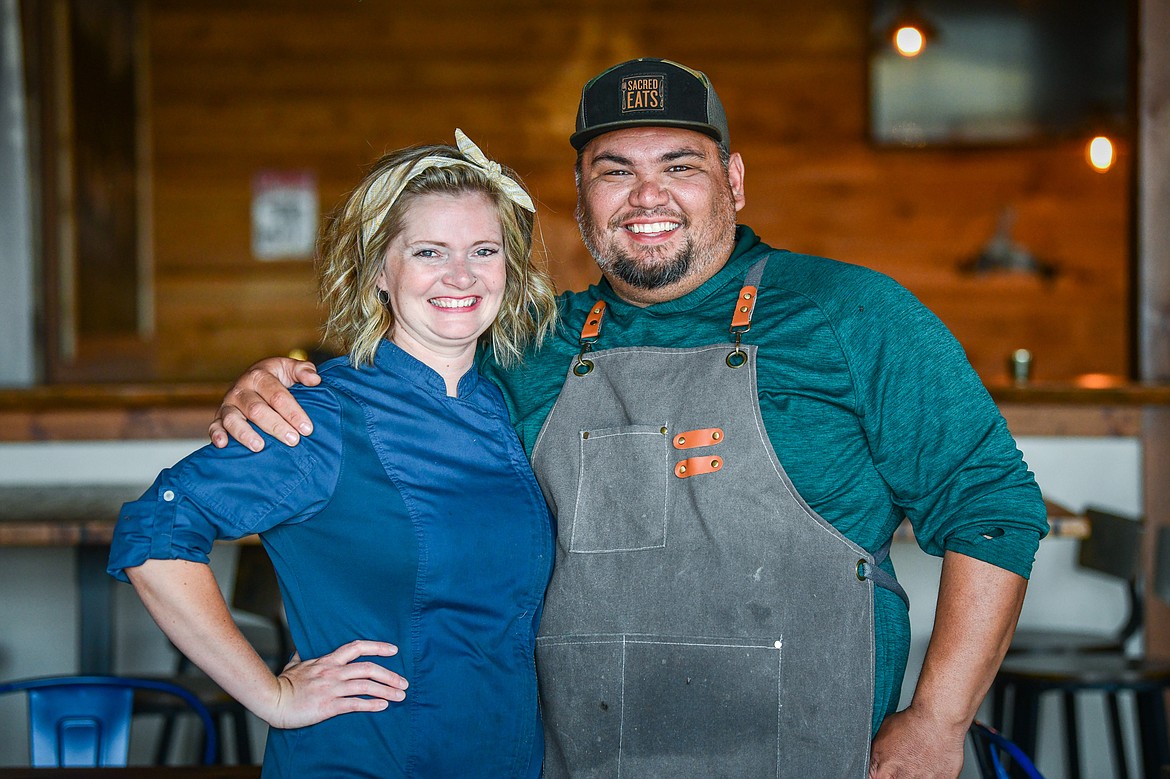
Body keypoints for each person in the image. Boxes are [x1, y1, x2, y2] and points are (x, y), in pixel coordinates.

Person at [209, 59, 1048, 778]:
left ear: (735, 181)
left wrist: (939, 719)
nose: (648, 195)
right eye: (615, 169)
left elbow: (991, 504)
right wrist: (285, 378)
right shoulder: (526, 345)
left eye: (680, 164)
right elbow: (393, 379)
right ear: (581, 195)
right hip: (581, 756)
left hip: (807, 751)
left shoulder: (852, 315)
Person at [108, 130, 559, 778]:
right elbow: (156, 534)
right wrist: (273, 694)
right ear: (381, 269)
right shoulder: (320, 413)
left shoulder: (507, 398)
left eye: (482, 250)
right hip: (363, 761)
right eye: (429, 251)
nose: (460, 275)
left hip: (504, 757)